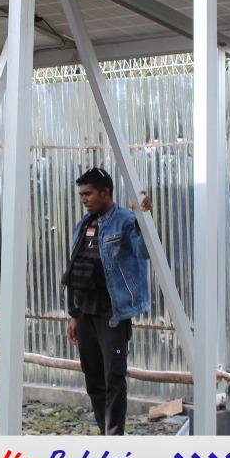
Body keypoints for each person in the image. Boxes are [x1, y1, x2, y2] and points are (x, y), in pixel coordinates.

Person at [63, 167, 152, 436]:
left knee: (113, 378)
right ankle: (105, 434)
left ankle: (114, 438)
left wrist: (144, 220)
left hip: (112, 313)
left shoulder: (125, 221)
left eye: (88, 194)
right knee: (93, 379)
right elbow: (75, 268)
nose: (84, 199)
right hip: (86, 313)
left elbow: (144, 250)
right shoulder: (84, 224)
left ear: (106, 193)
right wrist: (74, 314)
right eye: (81, 194)